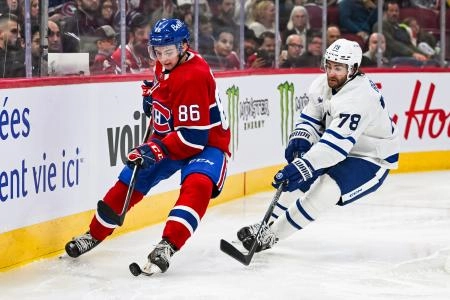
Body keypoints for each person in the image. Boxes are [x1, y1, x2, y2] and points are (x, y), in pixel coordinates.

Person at [65, 18, 231, 275]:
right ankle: (94, 234)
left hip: (206, 142)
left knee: (197, 185)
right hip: (173, 135)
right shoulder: (170, 62)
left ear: (184, 46)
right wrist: (153, 97)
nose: (163, 57)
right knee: (132, 176)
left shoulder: (193, 76)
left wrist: (157, 149)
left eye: (169, 51)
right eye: (158, 51)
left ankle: (168, 245)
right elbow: (167, 91)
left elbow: (193, 139)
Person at [236, 38, 399, 254]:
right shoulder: (322, 84)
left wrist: (302, 167)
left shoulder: (360, 98)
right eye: (329, 66)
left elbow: (333, 148)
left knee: (327, 188)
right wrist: (301, 140)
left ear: (354, 69)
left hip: (371, 156)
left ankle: (272, 236)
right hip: (340, 145)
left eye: (338, 68)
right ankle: (264, 227)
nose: (331, 73)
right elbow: (311, 118)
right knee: (302, 172)